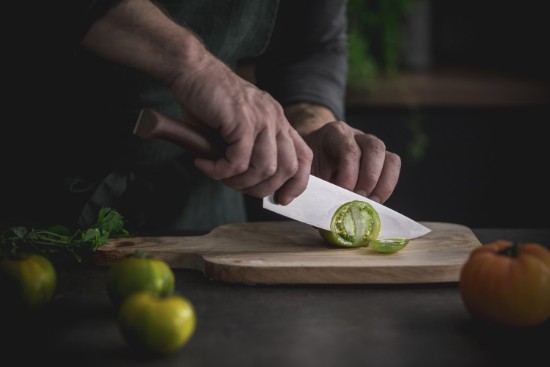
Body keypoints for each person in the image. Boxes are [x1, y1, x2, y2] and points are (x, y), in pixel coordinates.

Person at [2, 0, 400, 233]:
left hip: (199, 215)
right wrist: (192, 65)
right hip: (29, 188)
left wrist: (308, 127)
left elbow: (308, 46)